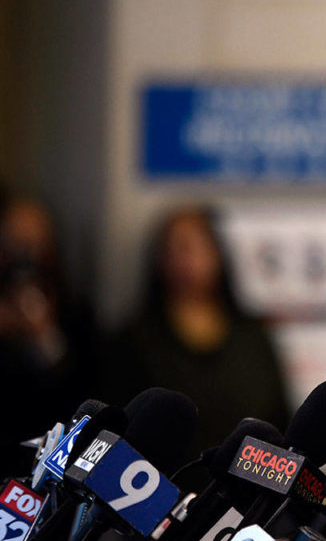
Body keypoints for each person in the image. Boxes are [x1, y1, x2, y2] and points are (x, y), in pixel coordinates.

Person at [103, 205, 290, 459]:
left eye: (192, 247)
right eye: (172, 249)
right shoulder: (134, 339)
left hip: (246, 487)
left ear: (217, 254)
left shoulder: (252, 336)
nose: (183, 260)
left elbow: (280, 418)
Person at [0, 193, 98, 476]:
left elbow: (82, 391)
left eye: (32, 242)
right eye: (13, 240)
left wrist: (45, 336)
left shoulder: (72, 312)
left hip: (49, 457)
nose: (23, 254)